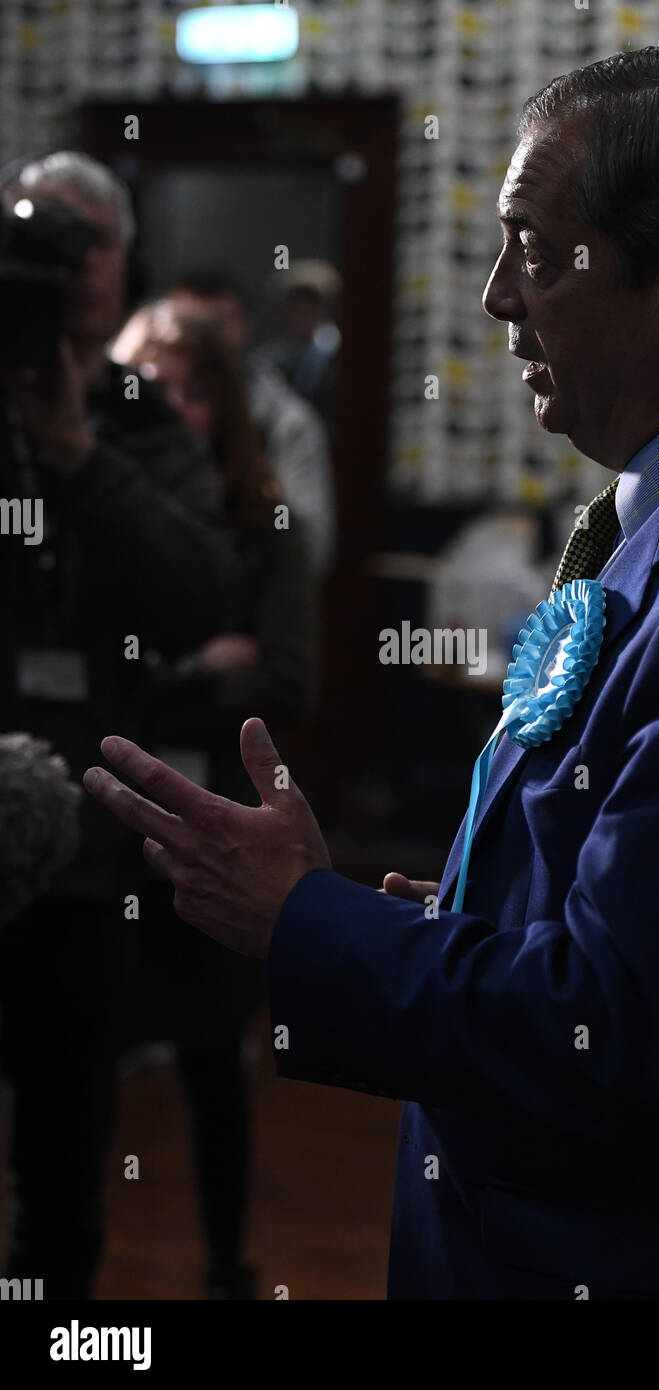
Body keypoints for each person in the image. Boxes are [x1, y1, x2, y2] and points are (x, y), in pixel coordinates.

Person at [84, 47, 659, 1301]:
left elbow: (613, 1038)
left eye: (530, 247)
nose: (498, 297)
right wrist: (464, 921)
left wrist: (308, 914)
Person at [0, 150, 242, 1300]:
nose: (67, 266)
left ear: (123, 258)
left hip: (88, 843)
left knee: (64, 1143)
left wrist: (74, 458)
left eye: (87, 243)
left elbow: (200, 591)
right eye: (39, 239)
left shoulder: (139, 415)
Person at [109, 299, 319, 1299]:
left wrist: (186, 677)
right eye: (151, 388)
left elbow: (286, 674)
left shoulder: (263, 521)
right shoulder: (90, 508)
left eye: (194, 390)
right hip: (101, 829)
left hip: (211, 827)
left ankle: (227, 1267)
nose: (173, 410)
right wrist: (194, 665)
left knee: (210, 1059)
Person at [161, 270, 336, 577]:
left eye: (218, 326)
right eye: (190, 327)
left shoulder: (287, 422)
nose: (205, 343)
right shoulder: (140, 413)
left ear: (244, 327)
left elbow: (308, 553)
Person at [251, 259, 342, 431]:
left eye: (310, 304)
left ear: (327, 307)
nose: (301, 311)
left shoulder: (340, 354)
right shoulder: (268, 360)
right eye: (294, 304)